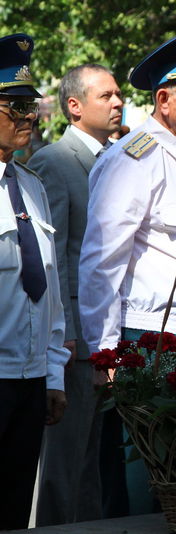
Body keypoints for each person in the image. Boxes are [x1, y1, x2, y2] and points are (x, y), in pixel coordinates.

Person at [78, 25, 176, 515]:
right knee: (142, 486)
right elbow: (102, 260)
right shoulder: (132, 159)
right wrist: (105, 353)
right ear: (164, 99)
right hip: (149, 341)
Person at [28, 63, 123, 527]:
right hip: (74, 343)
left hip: (105, 335)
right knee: (65, 469)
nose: (117, 102)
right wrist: (64, 338)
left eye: (118, 94)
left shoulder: (115, 158)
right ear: (74, 106)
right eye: (105, 96)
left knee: (91, 466)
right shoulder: (55, 162)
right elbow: (55, 257)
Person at [0, 33, 70, 530]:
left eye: (31, 106)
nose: (28, 117)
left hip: (27, 380)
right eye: (15, 105)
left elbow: (50, 287)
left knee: (14, 503)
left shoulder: (32, 186)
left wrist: (52, 374)